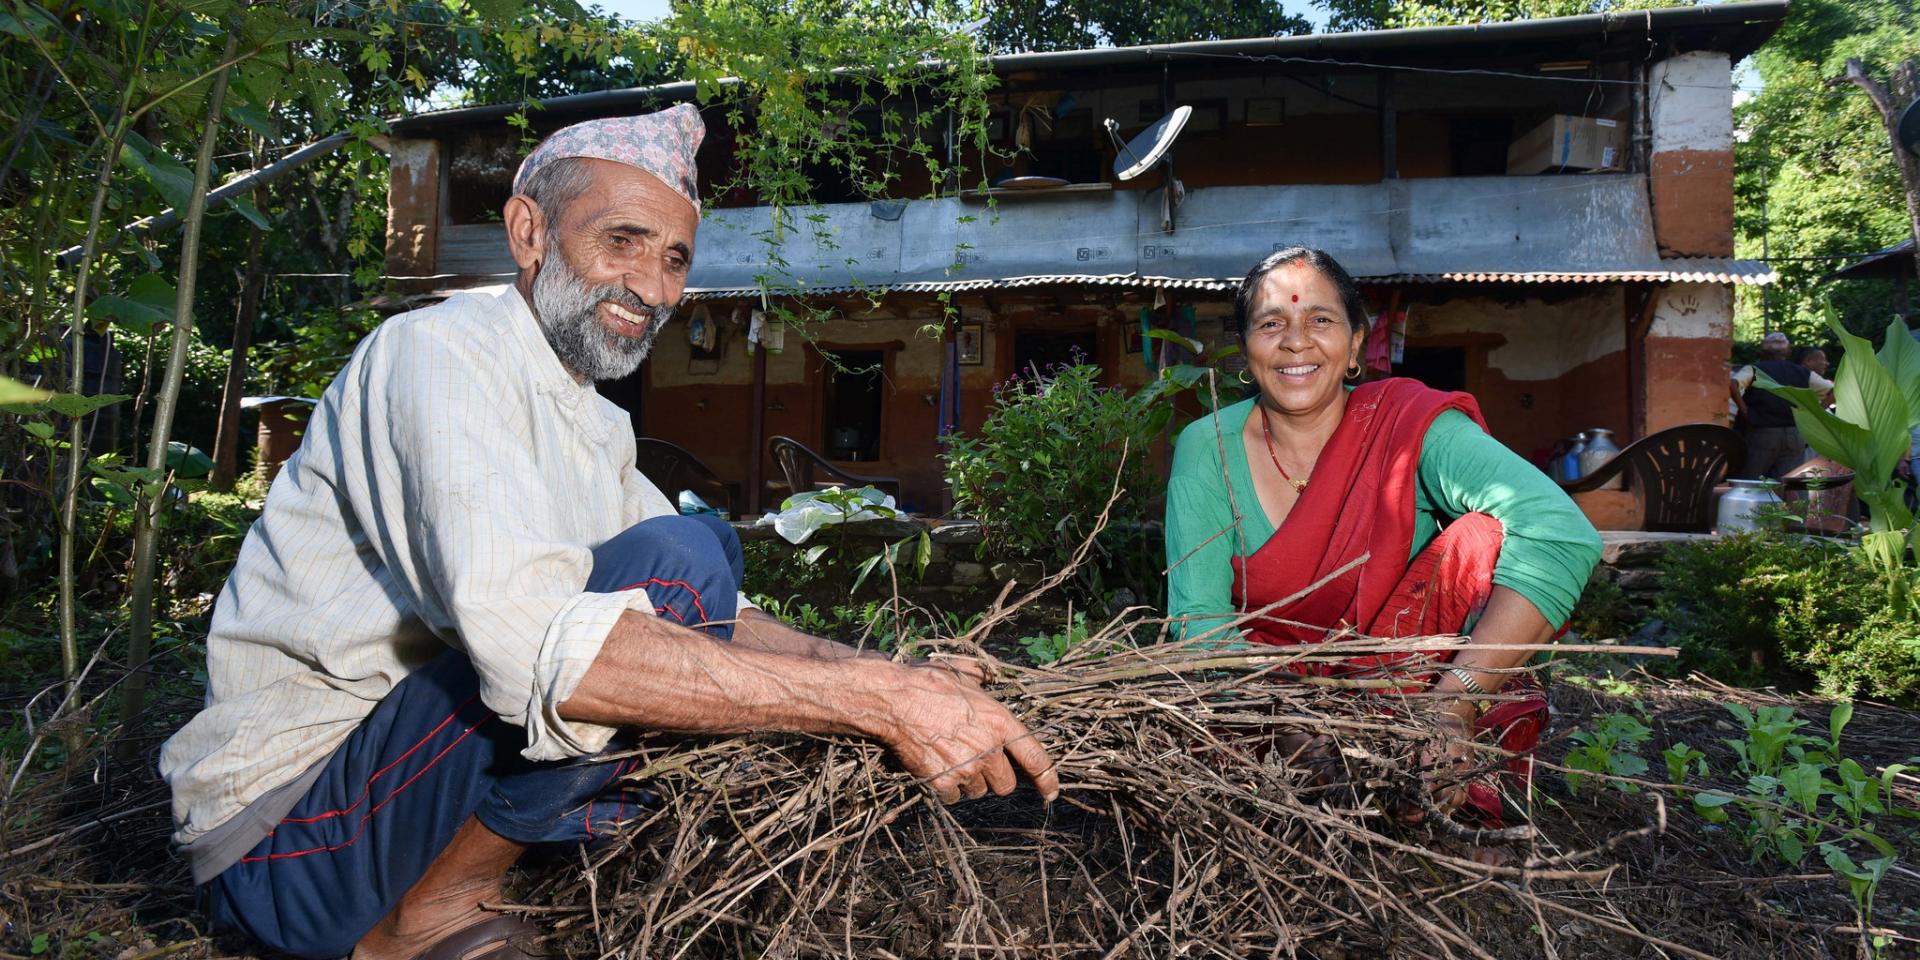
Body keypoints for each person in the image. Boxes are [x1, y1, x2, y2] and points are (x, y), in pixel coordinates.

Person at [159, 106, 1058, 960]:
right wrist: (883, 707)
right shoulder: (440, 353)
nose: (652, 286)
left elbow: (720, 610)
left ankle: (450, 886)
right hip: (288, 842)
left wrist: (875, 672)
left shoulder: (591, 421)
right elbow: (551, 653)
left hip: (379, 812)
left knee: (699, 555)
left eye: (674, 258)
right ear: (529, 232)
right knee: (668, 568)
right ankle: (417, 926)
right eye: (620, 241)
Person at [1163, 246, 1601, 821]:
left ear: (1356, 346)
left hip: (1407, 689)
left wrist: (1456, 702)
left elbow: (1561, 530)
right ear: (1246, 350)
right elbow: (1200, 622)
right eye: (1272, 324)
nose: (1296, 342)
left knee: (1481, 539)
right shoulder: (1207, 447)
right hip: (1262, 701)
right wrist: (1282, 714)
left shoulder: (1406, 425)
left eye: (1320, 320)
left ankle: (1447, 782)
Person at [1729, 331, 1833, 478]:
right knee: (1791, 485)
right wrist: (1814, 415)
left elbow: (1733, 384)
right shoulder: (1802, 372)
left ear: (1762, 352)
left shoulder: (1754, 369)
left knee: (1751, 481)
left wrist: (1745, 411)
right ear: (1788, 352)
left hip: (1763, 433)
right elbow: (1834, 392)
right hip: (1794, 434)